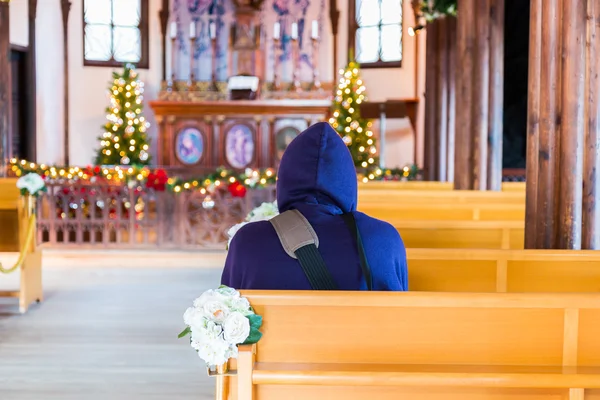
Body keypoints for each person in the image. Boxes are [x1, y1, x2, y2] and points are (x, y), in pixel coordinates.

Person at [221, 122, 408, 291]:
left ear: (285, 178)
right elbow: (401, 317)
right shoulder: (384, 238)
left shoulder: (248, 241)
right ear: (347, 179)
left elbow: (225, 311)